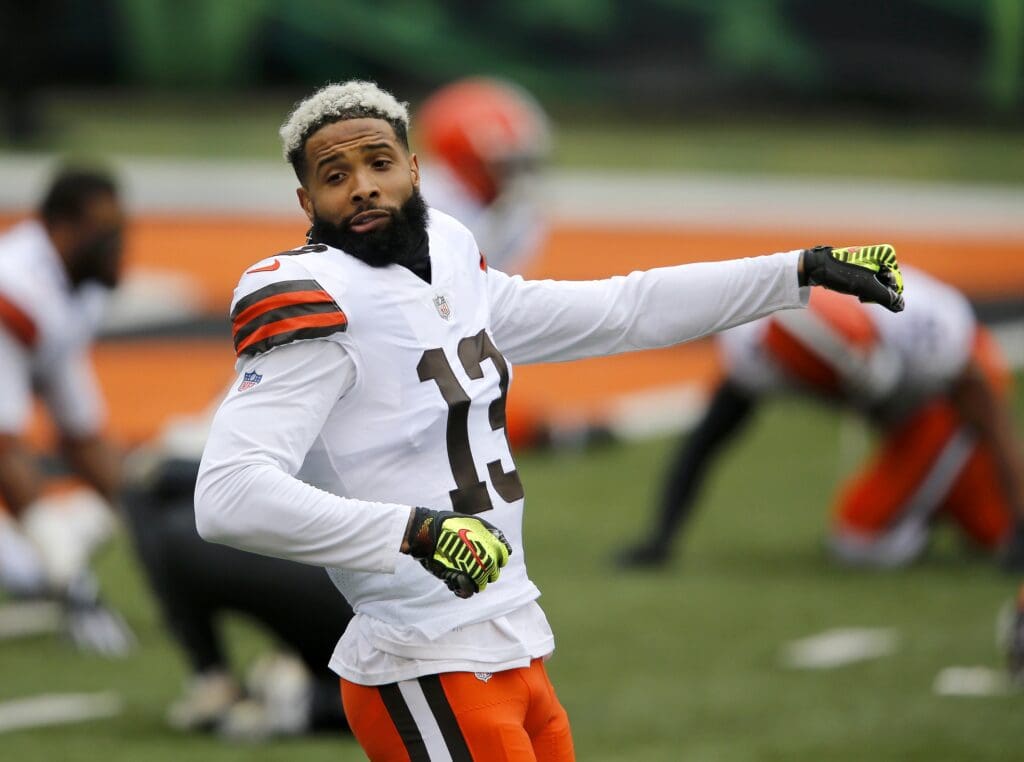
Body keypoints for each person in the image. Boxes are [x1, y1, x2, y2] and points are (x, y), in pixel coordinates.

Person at [193, 80, 903, 761]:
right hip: (419, 654)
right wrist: (409, 531)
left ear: (412, 167)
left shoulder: (446, 254)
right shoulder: (316, 296)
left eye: (378, 163)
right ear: (305, 200)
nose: (363, 186)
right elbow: (227, 496)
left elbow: (623, 310)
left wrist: (796, 272)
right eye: (334, 175)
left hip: (510, 636)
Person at [618, 267, 1024, 570]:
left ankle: (965, 503)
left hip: (951, 399)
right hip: (907, 420)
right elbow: (706, 441)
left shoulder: (924, 325)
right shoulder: (756, 350)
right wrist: (661, 538)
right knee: (960, 533)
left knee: (869, 542)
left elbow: (992, 421)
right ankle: (946, 500)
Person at [123, 407, 354, 739]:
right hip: (373, 554)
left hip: (367, 565)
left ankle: (305, 700)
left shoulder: (319, 360)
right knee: (153, 497)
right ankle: (295, 689)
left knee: (175, 528)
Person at [0, 166, 133, 655]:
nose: (119, 243)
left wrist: (161, 537)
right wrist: (72, 579)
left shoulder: (73, 293)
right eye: (106, 231)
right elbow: (4, 449)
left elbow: (82, 438)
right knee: (44, 563)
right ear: (63, 229)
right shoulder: (15, 287)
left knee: (36, 568)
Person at [416, 77, 550, 275]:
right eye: (503, 165)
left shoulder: (515, 212)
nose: (513, 176)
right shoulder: (422, 206)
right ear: (464, 162)